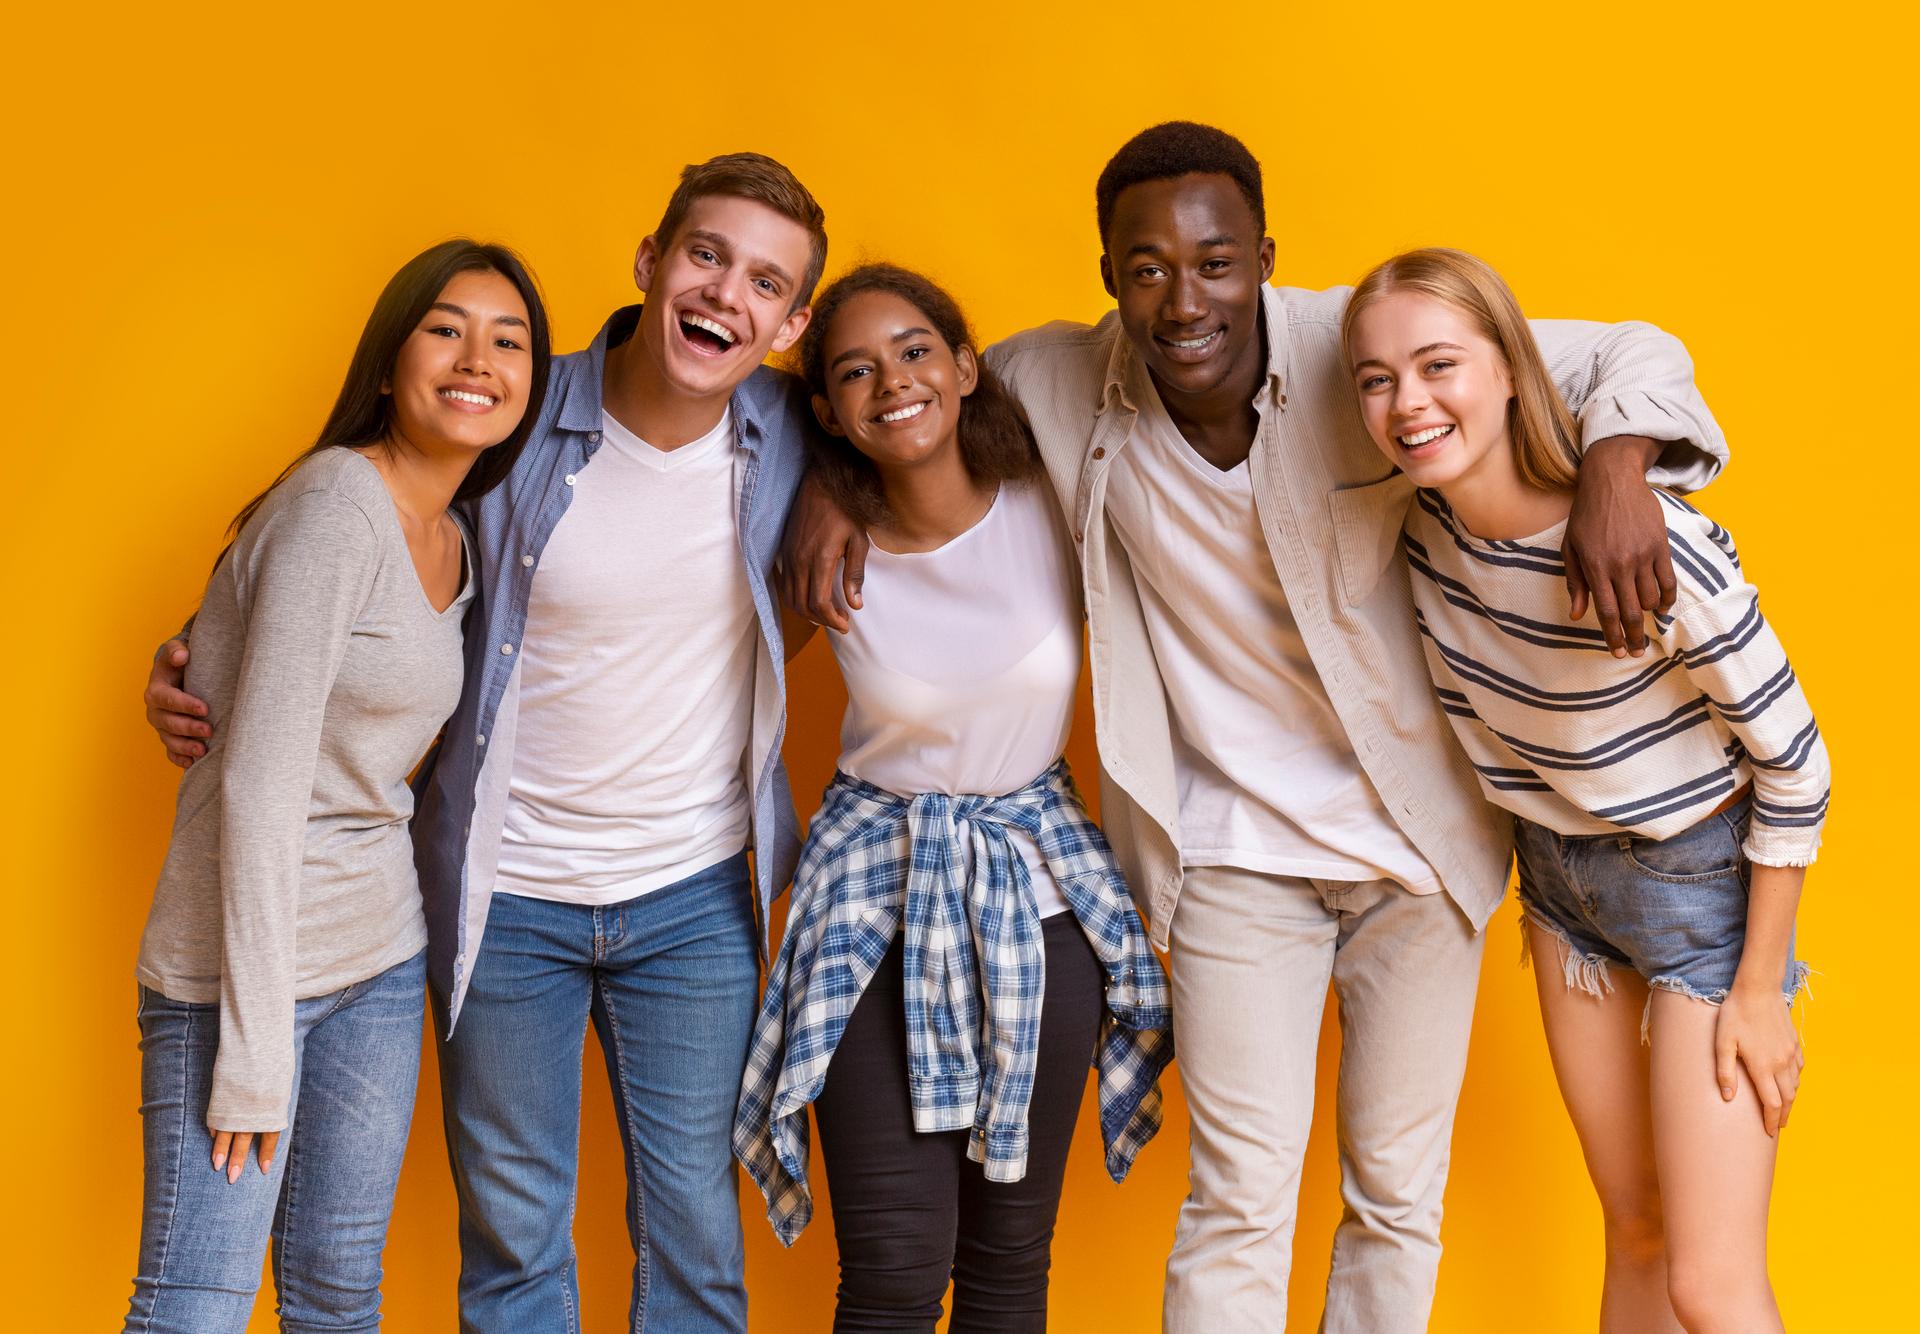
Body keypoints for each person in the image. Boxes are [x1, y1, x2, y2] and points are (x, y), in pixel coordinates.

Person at [782, 123, 1731, 1333]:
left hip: (1416, 844)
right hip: (1227, 855)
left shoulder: (1362, 349)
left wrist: (1613, 470)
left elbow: (1635, 352)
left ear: (1266, 257)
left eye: (1217, 261)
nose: (1185, 299)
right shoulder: (1055, 379)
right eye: (1147, 269)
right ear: (1110, 274)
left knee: (1397, 1195)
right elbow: (887, 395)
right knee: (1239, 1197)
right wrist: (824, 482)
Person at [143, 154, 828, 1331]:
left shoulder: (802, 435)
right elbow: (349, 546)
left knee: (698, 1243)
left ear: (792, 321)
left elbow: (923, 449)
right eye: (707, 255)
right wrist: (200, 656)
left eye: (766, 281)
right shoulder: (511, 416)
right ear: (650, 262)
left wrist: (842, 508)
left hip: (695, 896)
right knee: (515, 1242)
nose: (727, 293)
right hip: (504, 900)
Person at [1343, 247, 1822, 1333]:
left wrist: (1756, 988)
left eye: (1438, 365)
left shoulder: (1651, 545)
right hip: (1561, 887)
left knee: (1710, 1281)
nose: (1408, 402)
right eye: (1377, 380)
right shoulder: (1426, 539)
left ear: (1514, 368)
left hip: (1704, 890)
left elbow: (1798, 762)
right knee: (1636, 1231)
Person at [732, 264, 1173, 1332]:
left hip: (1040, 892)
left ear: (968, 366)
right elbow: (725, 684)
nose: (894, 382)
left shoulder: (1055, 495)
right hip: (869, 903)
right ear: (828, 410)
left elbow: (1126, 351)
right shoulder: (816, 547)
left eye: (917, 351)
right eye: (856, 371)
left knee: (1009, 1264)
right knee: (891, 1268)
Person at [127, 239, 551, 1332]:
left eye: (509, 341)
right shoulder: (335, 507)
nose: (478, 359)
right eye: (446, 329)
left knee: (334, 1296)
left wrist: (193, 647)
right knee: (197, 1302)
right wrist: (257, 1050)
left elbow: (283, 671)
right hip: (243, 970)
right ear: (387, 361)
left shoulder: (455, 534)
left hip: (375, 952)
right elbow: (260, 787)